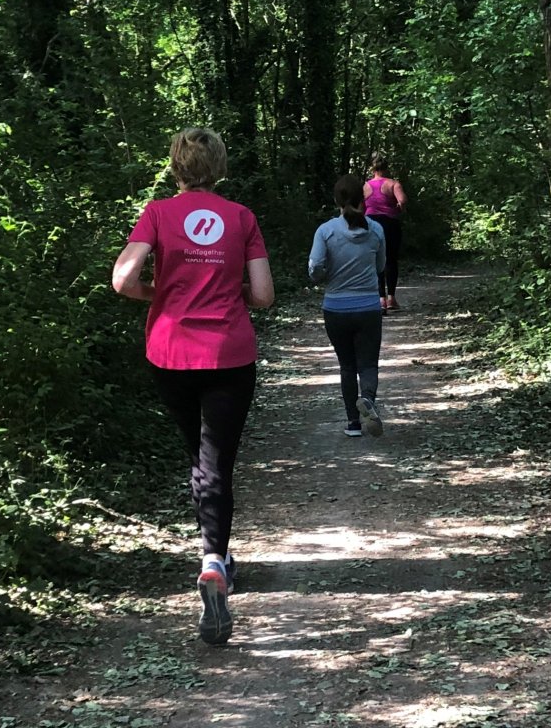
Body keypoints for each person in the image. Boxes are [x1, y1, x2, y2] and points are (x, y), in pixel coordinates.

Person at [112, 127, 274, 646]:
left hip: (170, 351)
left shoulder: (157, 214)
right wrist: (229, 291)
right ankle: (215, 563)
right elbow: (266, 296)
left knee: (199, 459)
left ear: (176, 164)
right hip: (228, 352)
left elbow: (122, 279)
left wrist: (161, 293)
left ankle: (216, 556)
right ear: (220, 166)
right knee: (216, 460)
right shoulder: (241, 217)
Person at [309, 174, 386, 438]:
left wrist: (326, 275)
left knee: (347, 366)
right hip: (368, 307)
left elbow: (315, 268)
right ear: (362, 199)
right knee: (368, 364)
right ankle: (368, 400)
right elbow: (380, 267)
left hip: (336, 308)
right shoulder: (376, 229)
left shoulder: (326, 231)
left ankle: (353, 423)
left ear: (336, 200)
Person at [363, 152, 407, 314]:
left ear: (372, 168)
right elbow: (402, 200)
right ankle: (391, 298)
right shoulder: (393, 184)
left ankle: (380, 299)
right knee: (391, 259)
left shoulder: (365, 186)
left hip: (371, 224)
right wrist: (399, 208)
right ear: (386, 167)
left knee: (376, 259)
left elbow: (359, 207)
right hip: (389, 224)